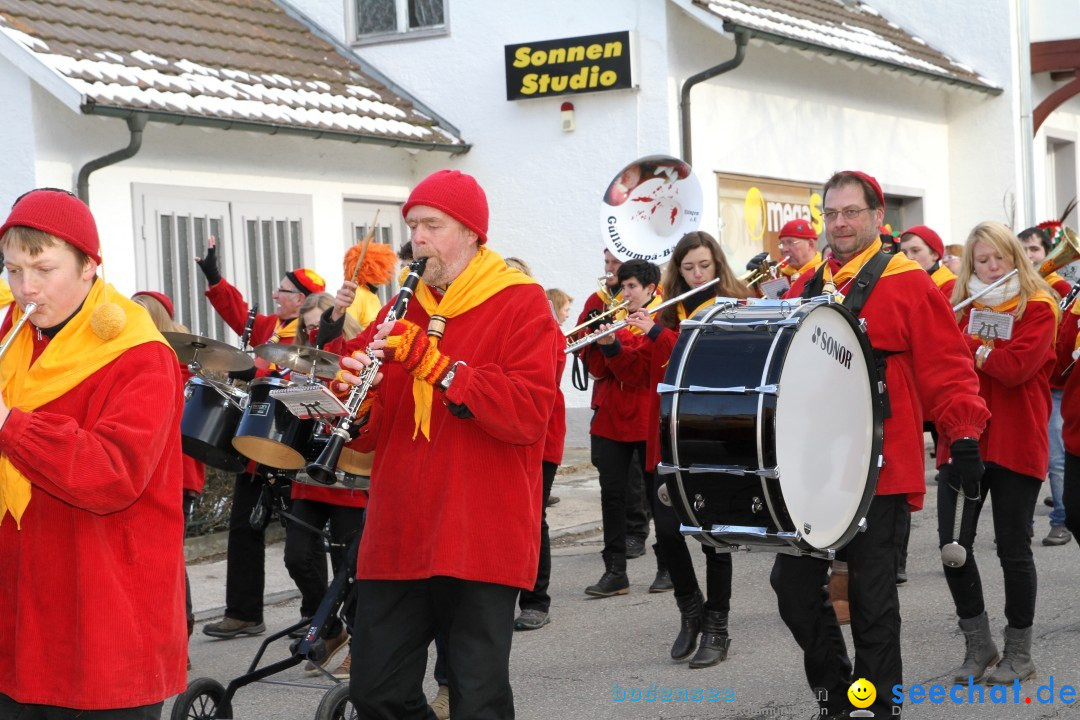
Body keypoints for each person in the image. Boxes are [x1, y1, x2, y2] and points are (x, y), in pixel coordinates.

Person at [333, 169, 559, 719]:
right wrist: (351, 403)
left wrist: (441, 369)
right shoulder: (399, 309)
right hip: (400, 526)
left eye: (432, 225)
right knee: (375, 690)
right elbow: (372, 425)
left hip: (477, 526)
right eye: (413, 226)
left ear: (473, 233)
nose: (419, 239)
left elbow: (528, 414)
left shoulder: (521, 303)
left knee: (477, 697)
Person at [773, 171, 989, 718]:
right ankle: (836, 693)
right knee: (792, 587)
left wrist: (962, 435)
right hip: (813, 471)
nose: (840, 223)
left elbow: (948, 366)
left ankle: (877, 707)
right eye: (832, 214)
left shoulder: (908, 281)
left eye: (851, 213)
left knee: (872, 604)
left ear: (877, 219)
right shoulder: (806, 285)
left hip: (880, 466)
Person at [0, 189, 186, 718]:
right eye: (13, 270)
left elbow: (110, 475)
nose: (25, 288)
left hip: (105, 616)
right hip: (18, 618)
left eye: (43, 268)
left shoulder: (140, 354)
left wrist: (8, 424)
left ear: (89, 267)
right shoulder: (10, 334)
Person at [599, 232, 751, 669]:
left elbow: (701, 360)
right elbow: (642, 372)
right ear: (677, 272)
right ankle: (691, 610)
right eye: (689, 269)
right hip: (666, 433)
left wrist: (658, 334)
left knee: (713, 536)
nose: (698, 274)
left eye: (704, 266)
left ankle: (717, 626)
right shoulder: (668, 309)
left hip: (712, 430)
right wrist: (612, 347)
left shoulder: (731, 307)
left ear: (717, 266)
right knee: (667, 531)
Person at [939, 221, 1057, 685]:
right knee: (954, 548)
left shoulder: (1040, 306)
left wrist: (970, 346)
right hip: (963, 437)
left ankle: (1019, 652)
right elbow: (942, 365)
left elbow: (1014, 368)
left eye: (999, 259)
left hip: (1016, 437)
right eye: (982, 260)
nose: (990, 269)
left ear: (1016, 259)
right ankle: (978, 644)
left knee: (1013, 548)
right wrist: (975, 348)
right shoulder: (956, 304)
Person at [195, 235, 327, 638]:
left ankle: (317, 617)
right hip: (255, 440)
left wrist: (258, 373)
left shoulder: (313, 333)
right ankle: (244, 612)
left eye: (284, 290)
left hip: (290, 442)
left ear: (303, 297)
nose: (275, 294)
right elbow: (236, 310)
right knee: (243, 528)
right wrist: (214, 276)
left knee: (300, 536)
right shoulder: (270, 326)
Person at [584, 259, 666, 598]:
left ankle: (668, 567)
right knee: (612, 498)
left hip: (646, 417)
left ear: (650, 290)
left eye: (632, 287)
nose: (625, 292)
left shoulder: (663, 320)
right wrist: (594, 333)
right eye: (623, 286)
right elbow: (596, 369)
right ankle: (615, 571)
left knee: (657, 497)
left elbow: (637, 371)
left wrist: (614, 344)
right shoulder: (615, 315)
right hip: (611, 417)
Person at [132, 290, 205, 668]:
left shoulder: (183, 370)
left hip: (175, 476)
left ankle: (180, 635)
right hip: (142, 473)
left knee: (169, 557)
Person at [572, 250, 653, 564]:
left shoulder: (657, 308)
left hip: (639, 406)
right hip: (608, 402)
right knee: (611, 479)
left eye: (615, 265)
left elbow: (641, 358)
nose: (610, 270)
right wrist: (594, 331)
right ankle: (615, 558)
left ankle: (637, 531)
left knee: (637, 477)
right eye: (607, 263)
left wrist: (613, 338)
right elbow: (581, 339)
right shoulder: (600, 298)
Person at [515, 259, 567, 632]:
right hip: (504, 436)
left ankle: (536, 600)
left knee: (533, 517)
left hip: (540, 436)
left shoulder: (545, 326)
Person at [1018, 225, 1073, 546]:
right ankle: (1017, 522)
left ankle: (1061, 520)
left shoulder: (1060, 286)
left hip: (1055, 383)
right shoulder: (1016, 285)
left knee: (1055, 458)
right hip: (1027, 382)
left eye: (1034, 250)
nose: (1028, 257)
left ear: (1048, 254)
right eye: (1022, 250)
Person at [900, 224, 956, 298]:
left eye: (915, 250)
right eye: (904, 253)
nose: (909, 257)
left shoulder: (952, 286)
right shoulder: (901, 284)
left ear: (934, 254)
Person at [776, 217, 822, 298]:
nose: (784, 249)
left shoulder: (824, 271)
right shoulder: (779, 273)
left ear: (810, 244)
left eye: (791, 243)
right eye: (782, 244)